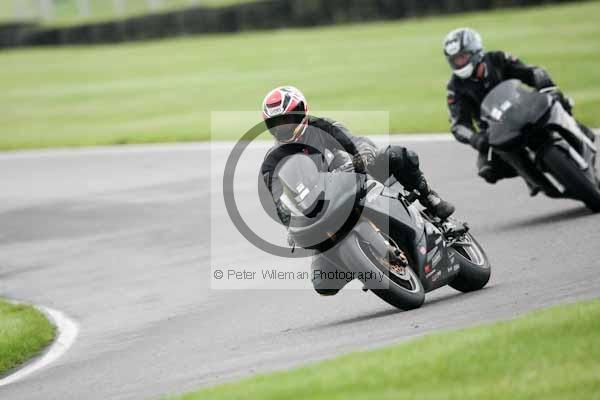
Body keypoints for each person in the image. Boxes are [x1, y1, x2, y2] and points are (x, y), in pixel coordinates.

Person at [259, 86, 455, 295]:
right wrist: (289, 223)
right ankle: (363, 263)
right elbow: (279, 200)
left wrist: (364, 153)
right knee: (323, 283)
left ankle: (429, 197)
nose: (283, 128)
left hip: (357, 176)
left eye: (287, 120)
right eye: (276, 124)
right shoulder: (271, 161)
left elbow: (353, 141)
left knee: (395, 155)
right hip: (321, 209)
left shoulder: (322, 127)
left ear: (302, 112)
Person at [443, 27, 596, 188]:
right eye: (455, 60)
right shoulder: (454, 87)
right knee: (487, 170)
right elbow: (458, 125)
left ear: (475, 51)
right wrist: (476, 139)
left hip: (524, 108)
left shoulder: (497, 58)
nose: (459, 63)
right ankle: (532, 177)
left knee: (559, 102)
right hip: (494, 130)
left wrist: (546, 87)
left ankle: (579, 134)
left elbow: (532, 72)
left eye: (462, 57)